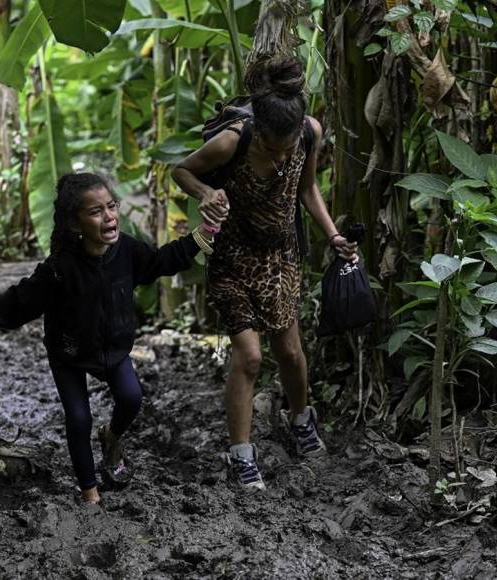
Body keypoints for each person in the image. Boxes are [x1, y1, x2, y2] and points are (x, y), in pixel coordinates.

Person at [0, 172, 224, 504]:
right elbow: (21, 300)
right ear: (76, 223)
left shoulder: (127, 251)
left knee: (132, 398)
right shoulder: (60, 268)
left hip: (113, 350)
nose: (109, 216)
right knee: (78, 418)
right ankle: (89, 492)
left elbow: (161, 262)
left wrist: (203, 234)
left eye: (112, 206)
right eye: (96, 211)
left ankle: (111, 436)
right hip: (69, 352)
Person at [172, 58, 358, 491]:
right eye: (273, 148)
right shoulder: (232, 141)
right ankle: (241, 455)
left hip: (280, 257)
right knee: (251, 357)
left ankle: (300, 420)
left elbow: (307, 188)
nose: (282, 155)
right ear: (260, 132)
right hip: (232, 257)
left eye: (288, 146)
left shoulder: (309, 133)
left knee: (291, 352)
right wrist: (205, 192)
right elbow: (181, 170)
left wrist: (332, 236)